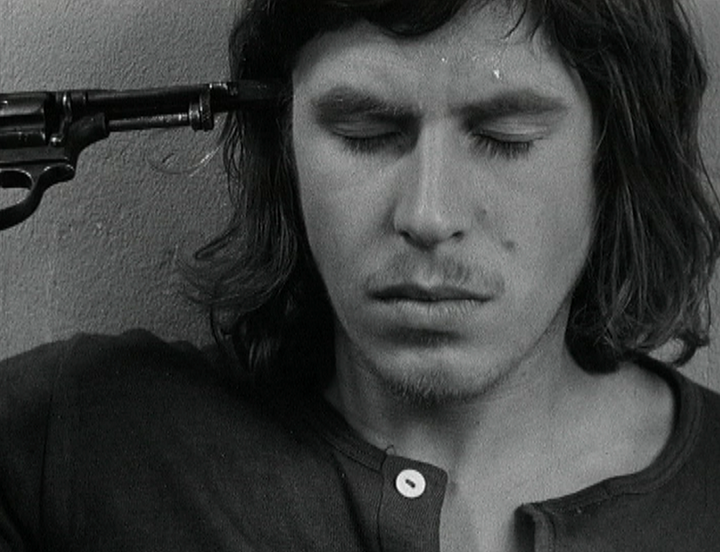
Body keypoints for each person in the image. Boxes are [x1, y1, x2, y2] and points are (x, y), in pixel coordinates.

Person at [2, 0, 720, 550]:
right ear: (285, 147)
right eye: (365, 135)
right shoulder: (89, 437)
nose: (428, 215)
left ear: (613, 159)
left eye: (506, 139)